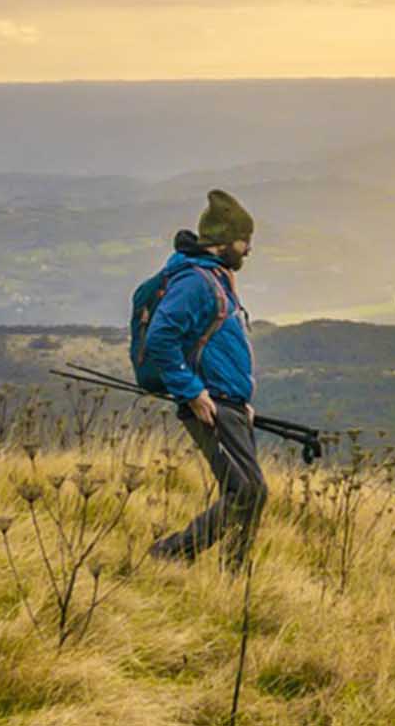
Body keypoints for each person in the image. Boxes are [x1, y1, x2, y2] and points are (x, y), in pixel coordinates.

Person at [142, 188, 263, 564]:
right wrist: (192, 392)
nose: (248, 250)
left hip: (229, 402)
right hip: (210, 404)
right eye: (245, 241)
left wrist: (241, 399)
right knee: (245, 491)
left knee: (252, 492)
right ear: (226, 240)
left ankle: (234, 576)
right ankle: (172, 553)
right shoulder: (195, 281)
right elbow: (160, 337)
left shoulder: (215, 277)